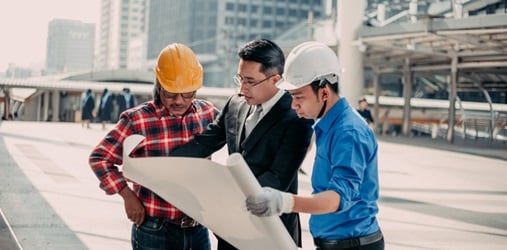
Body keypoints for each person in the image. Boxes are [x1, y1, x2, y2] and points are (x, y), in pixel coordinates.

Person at [170, 38, 314, 249]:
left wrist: (222, 195)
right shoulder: (236, 103)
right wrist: (165, 164)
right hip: (230, 232)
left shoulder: (297, 117)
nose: (242, 88)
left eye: (250, 81)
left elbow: (277, 178)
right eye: (240, 79)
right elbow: (205, 142)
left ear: (276, 80)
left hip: (270, 231)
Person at [245, 41, 384, 250]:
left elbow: (338, 198)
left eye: (299, 97)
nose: (293, 105)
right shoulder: (330, 124)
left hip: (353, 245)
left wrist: (285, 202)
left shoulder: (348, 132)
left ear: (324, 93)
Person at [89, 43, 219, 250]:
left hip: (197, 228)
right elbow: (100, 158)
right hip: (154, 229)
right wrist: (127, 195)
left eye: (187, 94)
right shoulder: (137, 120)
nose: (179, 101)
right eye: (170, 93)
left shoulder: (208, 113)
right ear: (159, 85)